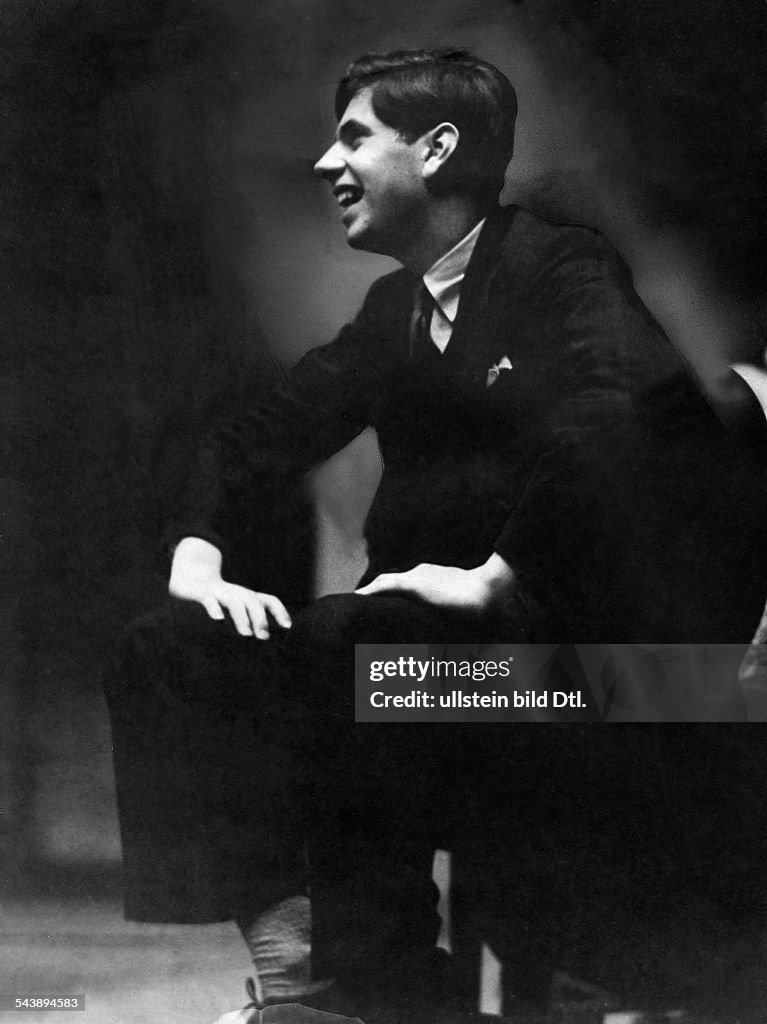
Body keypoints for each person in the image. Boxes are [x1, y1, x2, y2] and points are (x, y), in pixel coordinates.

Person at [104, 48, 767, 1024]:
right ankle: (307, 972)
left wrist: (501, 572)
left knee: (359, 649)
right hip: (432, 673)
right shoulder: (393, 313)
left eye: (354, 136)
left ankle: (377, 987)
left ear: (438, 147)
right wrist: (198, 551)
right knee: (168, 650)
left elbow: (616, 412)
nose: (327, 164)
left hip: (576, 678)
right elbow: (253, 437)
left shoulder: (559, 267)